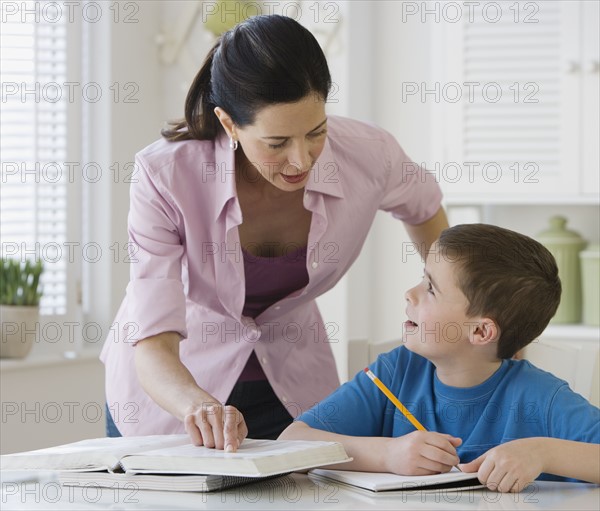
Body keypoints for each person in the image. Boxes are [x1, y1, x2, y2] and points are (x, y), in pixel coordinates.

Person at [100, 15, 448, 450]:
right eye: (277, 143)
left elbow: (425, 209)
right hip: (175, 394)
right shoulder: (166, 175)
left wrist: (456, 301)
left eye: (316, 132)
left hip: (294, 384)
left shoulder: (369, 155)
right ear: (229, 124)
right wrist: (197, 406)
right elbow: (152, 341)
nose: (301, 160)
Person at [280, 224, 600, 492]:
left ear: (480, 333)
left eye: (431, 288)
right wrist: (387, 455)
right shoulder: (395, 372)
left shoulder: (541, 397)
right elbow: (293, 442)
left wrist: (543, 452)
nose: (410, 293)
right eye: (423, 278)